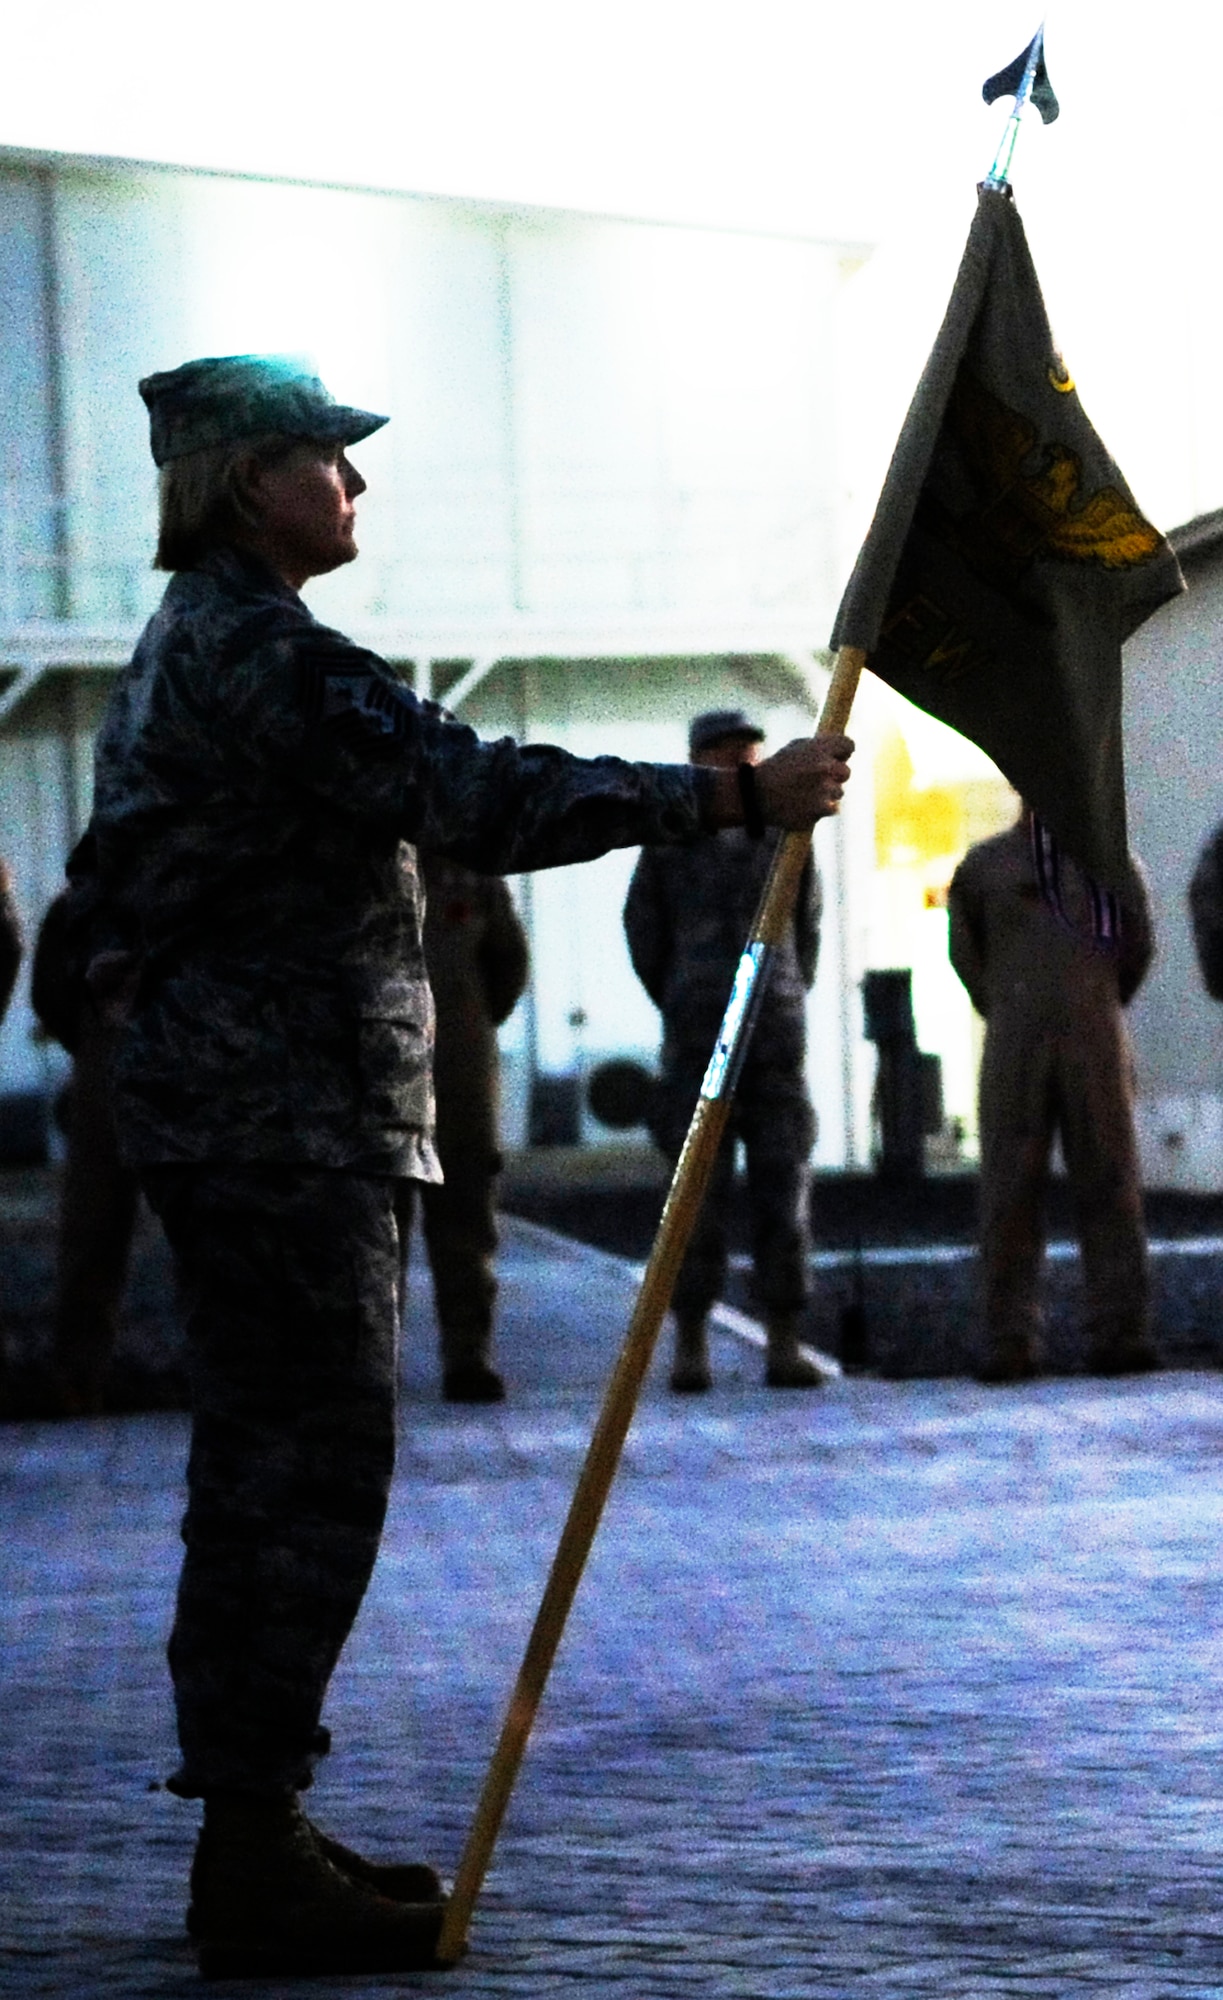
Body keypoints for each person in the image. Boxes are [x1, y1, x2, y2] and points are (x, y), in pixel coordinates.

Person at [73, 354, 853, 1977]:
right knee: (300, 1469)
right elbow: (471, 791)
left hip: (255, 1114)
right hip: (283, 1119)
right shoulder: (257, 651)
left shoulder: (191, 652)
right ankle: (251, 1849)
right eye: (323, 463)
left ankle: (255, 1824)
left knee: (265, 1469)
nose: (352, 488)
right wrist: (725, 795)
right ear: (241, 485)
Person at [623, 707, 825, 1393]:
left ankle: (784, 1340)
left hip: (773, 1044)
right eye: (729, 754)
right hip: (697, 1043)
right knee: (691, 1198)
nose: (744, 764)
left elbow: (808, 928)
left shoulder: (788, 835)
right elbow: (642, 931)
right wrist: (687, 996)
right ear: (700, 759)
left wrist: (779, 996)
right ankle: (690, 1344)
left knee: (783, 1189)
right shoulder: (671, 835)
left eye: (751, 753)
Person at [948, 805, 1155, 1383]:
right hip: (1016, 1042)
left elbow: (1138, 946)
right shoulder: (985, 868)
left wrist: (1099, 1004)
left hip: (1096, 1039)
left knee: (1111, 1180)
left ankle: (1122, 1334)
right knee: (1010, 1190)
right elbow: (966, 953)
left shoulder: (1111, 866)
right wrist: (1010, 1007)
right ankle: (1008, 1340)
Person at [404, 851, 529, 1402]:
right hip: (371, 1075)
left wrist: (468, 1025)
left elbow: (508, 962)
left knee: (466, 1216)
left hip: (458, 1076)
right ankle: (369, 1362)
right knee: (373, 1228)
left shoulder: (468, 867)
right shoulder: (352, 856)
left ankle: (467, 1354)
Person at [31, 884, 142, 1416]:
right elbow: (49, 988)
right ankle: (80, 1371)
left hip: (116, 1045)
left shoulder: (90, 896)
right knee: (93, 1227)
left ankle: (81, 1371)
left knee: (93, 1228)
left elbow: (48, 988)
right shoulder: (89, 900)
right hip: (130, 1048)